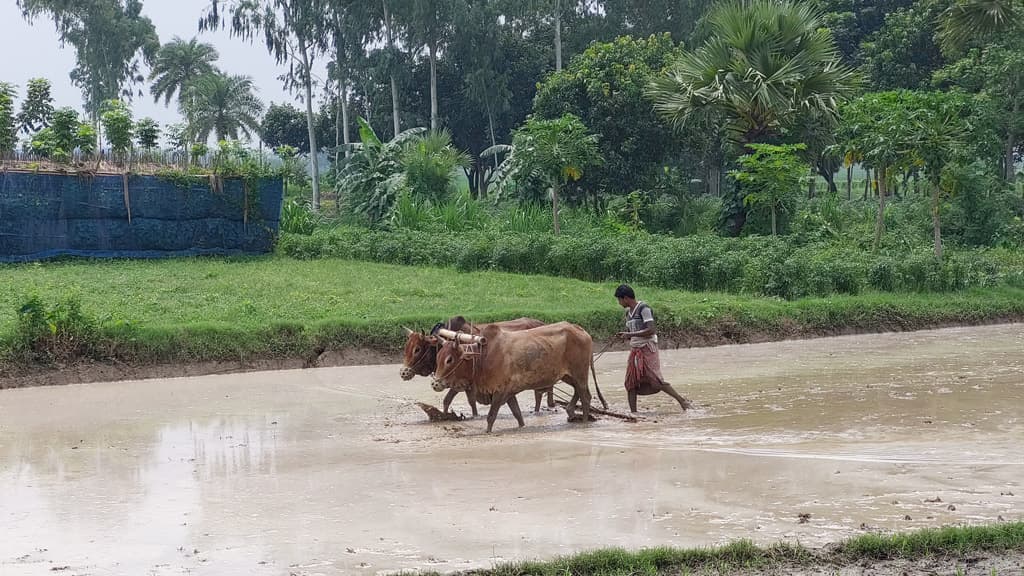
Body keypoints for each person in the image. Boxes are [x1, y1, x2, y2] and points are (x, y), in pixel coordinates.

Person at [615, 284, 692, 413]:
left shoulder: (643, 308)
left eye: (619, 300)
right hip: (635, 350)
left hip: (647, 348)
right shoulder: (628, 313)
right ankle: (634, 413)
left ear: (626, 298)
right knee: (630, 382)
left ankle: (682, 401)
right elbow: (632, 332)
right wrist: (625, 336)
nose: (619, 303)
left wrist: (630, 334)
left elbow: (651, 330)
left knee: (655, 381)